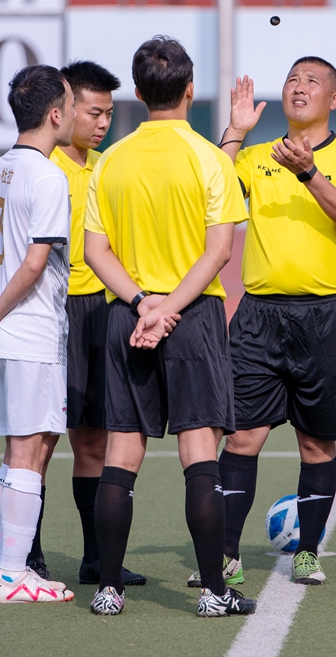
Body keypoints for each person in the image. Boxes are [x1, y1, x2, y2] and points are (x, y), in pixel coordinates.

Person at [82, 35, 257, 618]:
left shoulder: (110, 162)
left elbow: (95, 250)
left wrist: (141, 304)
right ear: (189, 90)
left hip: (124, 317)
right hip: (194, 317)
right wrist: (170, 309)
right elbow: (217, 255)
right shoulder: (211, 158)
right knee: (199, 452)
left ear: (135, 93)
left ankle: (108, 589)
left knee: (121, 454)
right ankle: (214, 591)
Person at [206, 57, 336, 588]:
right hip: (258, 317)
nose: (299, 88)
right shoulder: (254, 157)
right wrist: (234, 133)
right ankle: (225, 556)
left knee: (316, 444)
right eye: (292, 80)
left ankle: (308, 552)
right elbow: (208, 195)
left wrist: (308, 172)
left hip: (325, 316)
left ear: (334, 100)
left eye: (313, 82)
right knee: (240, 440)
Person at [0, 64, 77, 604]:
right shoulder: (47, 175)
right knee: (30, 451)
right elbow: (32, 264)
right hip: (28, 331)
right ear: (54, 115)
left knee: (21, 451)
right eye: (71, 105)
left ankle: (14, 568)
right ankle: (10, 576)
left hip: (3, 333)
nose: (74, 114)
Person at [22, 60, 147, 588]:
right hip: (54, 313)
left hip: (102, 311)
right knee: (41, 440)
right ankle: (25, 554)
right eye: (92, 112)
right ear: (65, 108)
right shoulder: (39, 169)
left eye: (109, 114)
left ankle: (97, 560)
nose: (101, 123)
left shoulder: (108, 166)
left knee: (94, 440)